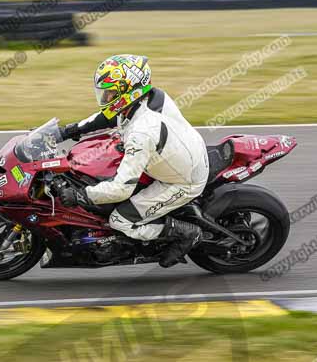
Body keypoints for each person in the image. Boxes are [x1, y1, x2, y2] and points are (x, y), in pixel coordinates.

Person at [56, 54, 209, 268]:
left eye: (110, 92)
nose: (105, 97)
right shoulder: (149, 98)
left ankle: (186, 233)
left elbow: (121, 190)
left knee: (120, 220)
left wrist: (81, 195)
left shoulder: (141, 132)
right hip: (180, 154)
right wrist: (68, 131)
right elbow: (108, 117)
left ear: (128, 91)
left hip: (183, 180)